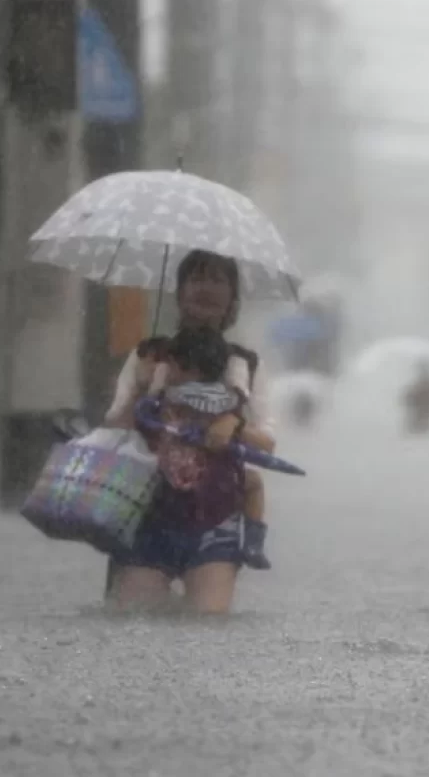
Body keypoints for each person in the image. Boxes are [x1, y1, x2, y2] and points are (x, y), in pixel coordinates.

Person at [103, 249, 276, 614]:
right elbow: (112, 430)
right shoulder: (148, 356)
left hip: (215, 519)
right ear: (180, 292)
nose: (206, 289)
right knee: (130, 622)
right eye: (197, 278)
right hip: (146, 515)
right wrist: (140, 390)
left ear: (232, 298)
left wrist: (235, 425)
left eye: (218, 280)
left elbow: (268, 443)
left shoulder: (245, 364)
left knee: (208, 623)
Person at [144, 326, 275, 570]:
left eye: (169, 364)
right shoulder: (225, 399)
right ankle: (254, 543)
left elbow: (146, 419)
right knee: (254, 482)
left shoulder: (169, 395)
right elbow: (263, 442)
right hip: (209, 479)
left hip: (171, 474)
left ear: (178, 364)